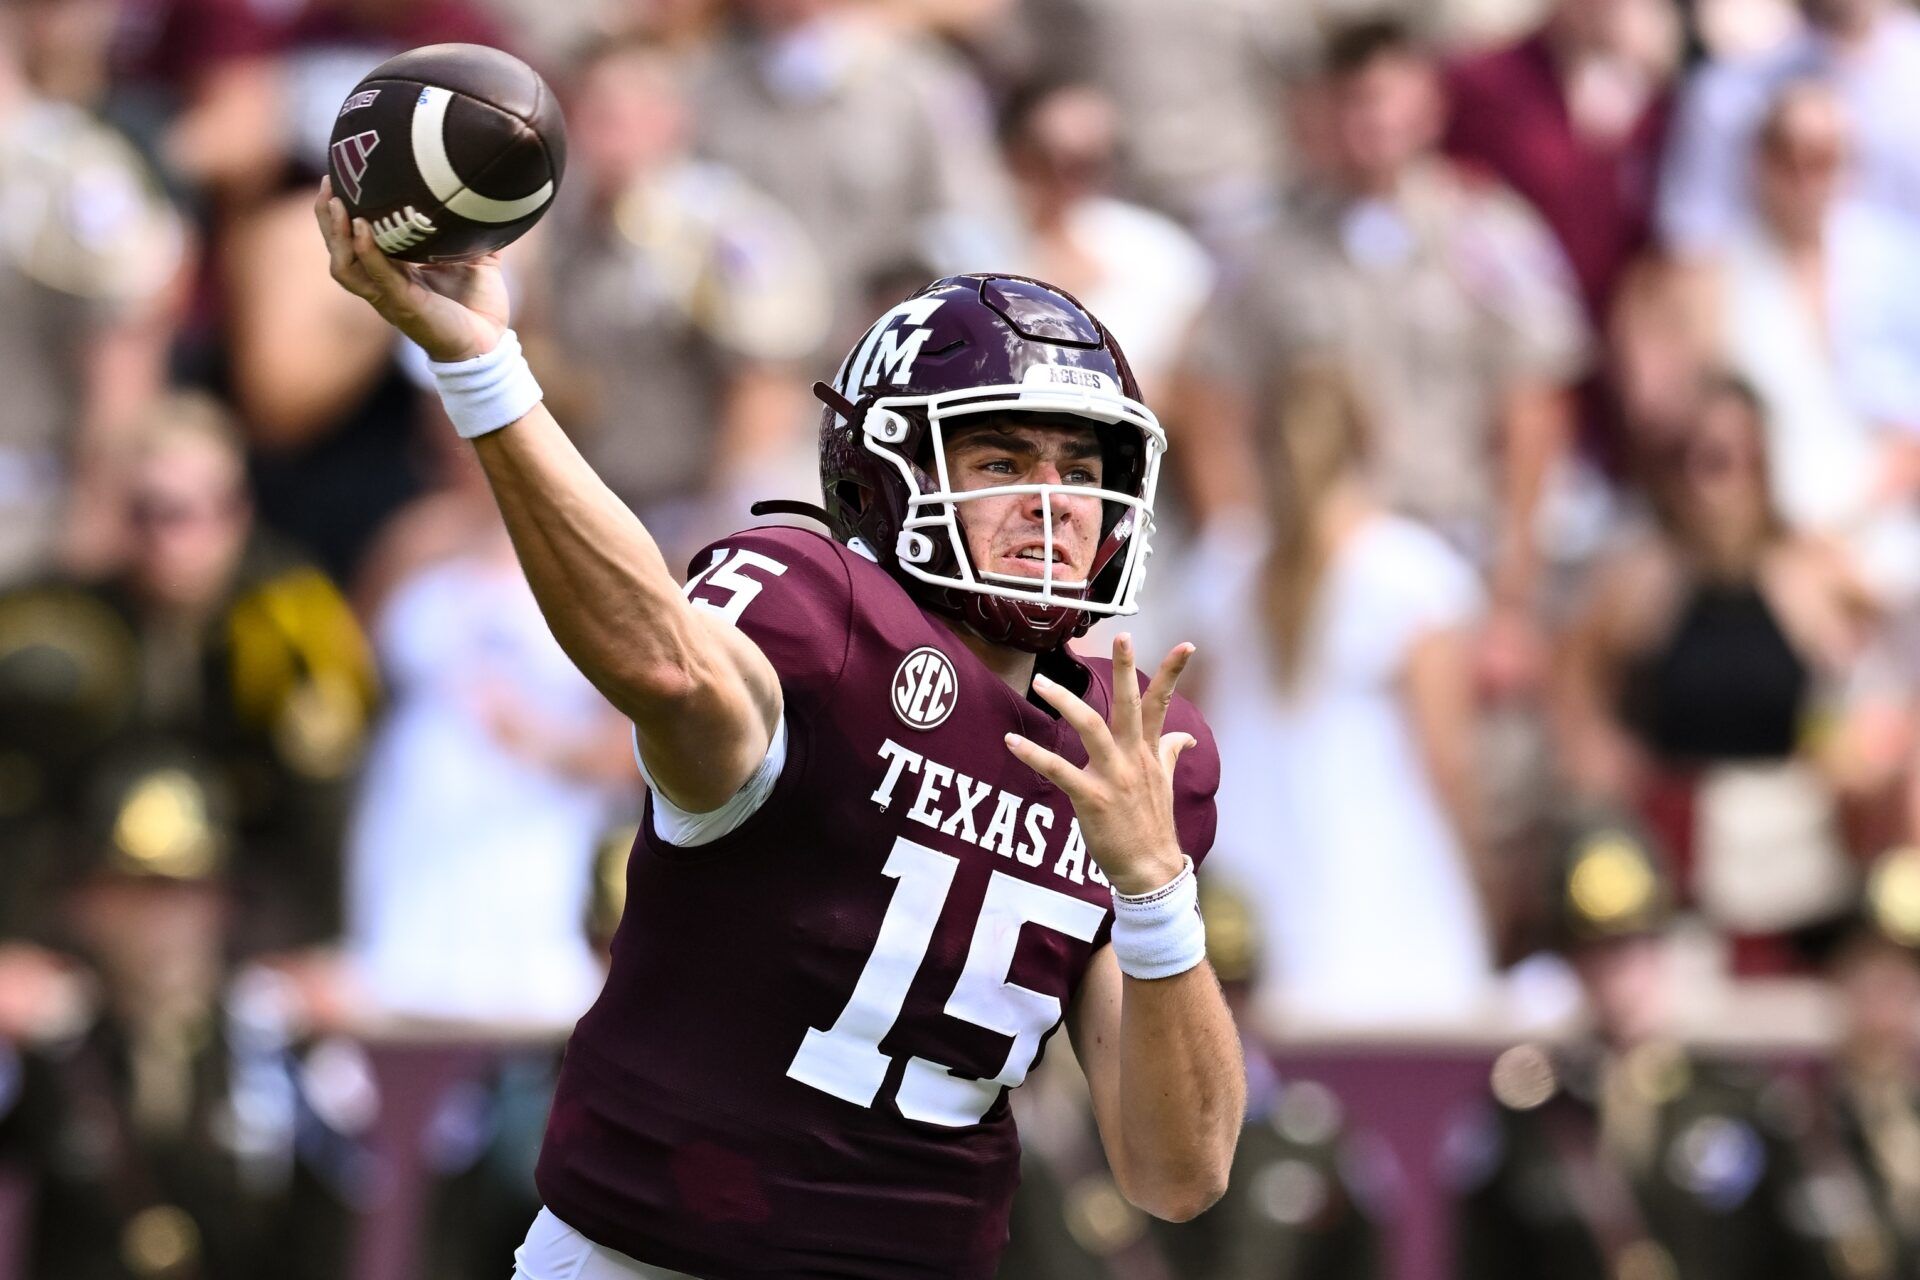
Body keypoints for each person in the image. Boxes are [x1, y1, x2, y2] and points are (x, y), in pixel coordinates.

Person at [314, 178, 1243, 1279]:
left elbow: (1177, 1172)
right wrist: (484, 366)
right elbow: (664, 658)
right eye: (1003, 462)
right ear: (887, 474)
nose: (1054, 503)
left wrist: (1154, 893)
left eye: (1082, 469)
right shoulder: (819, 615)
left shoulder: (1127, 748)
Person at [1192, 364, 1497, 1028]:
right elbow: (1447, 761)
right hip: (1381, 888)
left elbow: (1192, 738)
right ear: (1369, 442)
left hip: (1245, 862)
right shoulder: (1413, 572)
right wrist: (1484, 882)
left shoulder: (1226, 566)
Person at [1553, 374, 1880, 966]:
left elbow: (1861, 694)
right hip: (1676, 864)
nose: (1709, 486)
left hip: (1790, 864)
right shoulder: (1640, 583)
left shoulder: (1810, 576)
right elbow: (1574, 686)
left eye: (1727, 461)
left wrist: (1841, 751)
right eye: (1690, 462)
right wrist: (1606, 770)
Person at [0, 742, 360, 1280]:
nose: (162, 922)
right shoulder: (50, 1043)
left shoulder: (275, 1044)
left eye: (185, 891)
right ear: (88, 904)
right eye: (136, 891)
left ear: (222, 902)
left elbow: (353, 1208)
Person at [1448, 809, 1833, 1280]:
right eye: (1597, 952)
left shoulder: (1740, 1103)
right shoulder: (1530, 1118)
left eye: (1638, 946)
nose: (1622, 978)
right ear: (1571, 963)